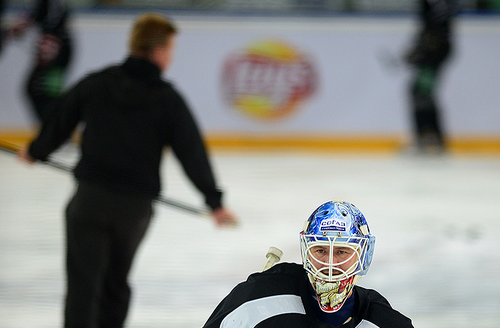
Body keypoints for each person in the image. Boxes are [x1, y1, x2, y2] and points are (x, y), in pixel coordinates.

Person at [18, 13, 238, 328]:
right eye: (171, 49)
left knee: (83, 287)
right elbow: (192, 153)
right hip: (133, 211)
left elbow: (59, 118)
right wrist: (214, 202)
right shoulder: (168, 100)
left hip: (90, 201)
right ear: (160, 50)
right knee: (115, 285)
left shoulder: (97, 83)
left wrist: (37, 151)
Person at [203, 200, 413, 328]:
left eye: (342, 251)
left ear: (363, 256)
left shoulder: (387, 322)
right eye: (320, 250)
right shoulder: (254, 300)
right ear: (306, 252)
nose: (329, 263)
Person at [404, 0, 459, 153]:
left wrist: (422, 47)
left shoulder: (435, 4)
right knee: (422, 92)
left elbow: (435, 26)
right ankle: (431, 137)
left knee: (420, 93)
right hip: (436, 50)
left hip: (434, 52)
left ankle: (427, 137)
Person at [10, 0, 73, 124]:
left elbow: (55, 16)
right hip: (57, 48)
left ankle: (52, 130)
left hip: (56, 50)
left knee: (43, 90)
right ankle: (52, 129)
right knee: (44, 90)